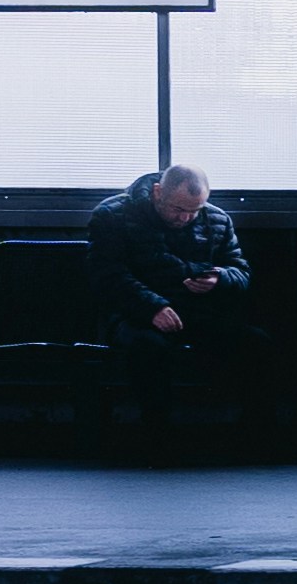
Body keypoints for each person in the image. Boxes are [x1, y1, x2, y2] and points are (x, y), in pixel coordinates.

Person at [83, 165, 257, 442]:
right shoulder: (112, 215)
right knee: (147, 347)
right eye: (178, 209)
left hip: (197, 312)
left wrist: (221, 279)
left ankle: (255, 435)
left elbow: (241, 271)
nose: (186, 218)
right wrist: (152, 307)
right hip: (134, 314)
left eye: (195, 210)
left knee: (257, 343)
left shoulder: (217, 219)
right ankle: (157, 435)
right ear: (157, 192)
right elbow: (107, 276)